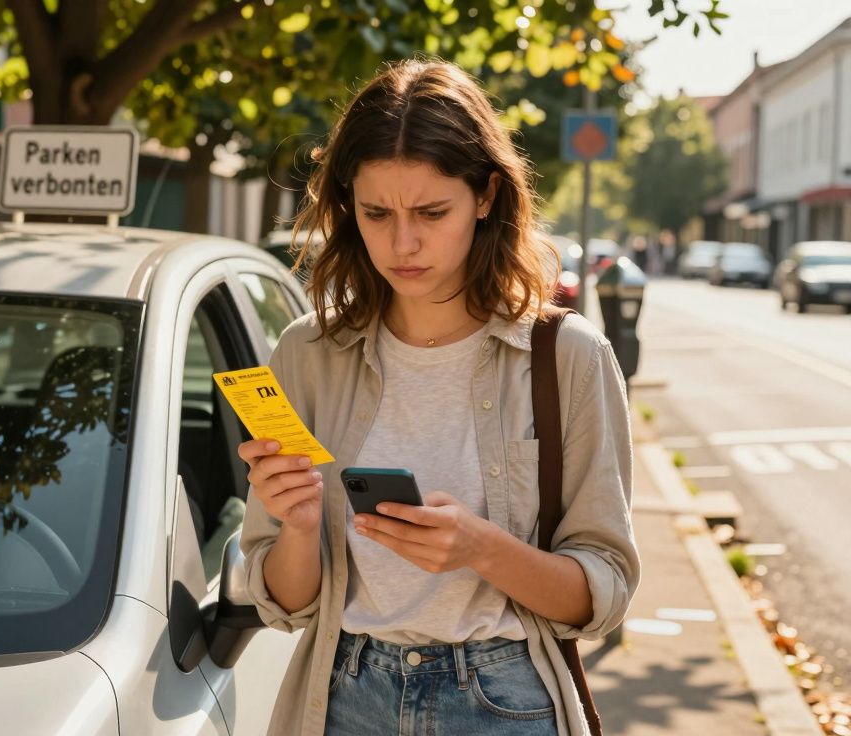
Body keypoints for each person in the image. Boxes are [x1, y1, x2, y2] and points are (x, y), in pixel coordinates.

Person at [239, 59, 639, 736]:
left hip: (505, 700)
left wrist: (483, 549)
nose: (402, 243)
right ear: (347, 207)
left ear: (485, 196)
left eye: (431, 211)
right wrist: (301, 526)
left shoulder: (569, 357)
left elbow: (602, 598)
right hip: (341, 697)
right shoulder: (306, 355)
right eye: (375, 212)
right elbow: (286, 603)